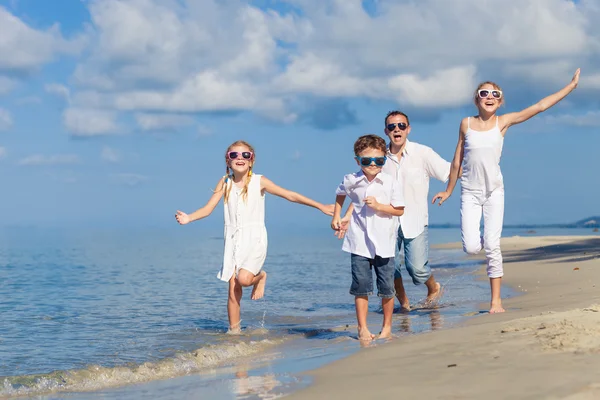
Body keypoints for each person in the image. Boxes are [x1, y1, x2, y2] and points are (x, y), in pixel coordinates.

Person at [432, 69, 581, 314]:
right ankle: (484, 243)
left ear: (500, 101)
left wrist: (571, 86)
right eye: (484, 93)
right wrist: (449, 190)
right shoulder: (466, 124)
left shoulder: (503, 122)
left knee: (493, 246)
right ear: (476, 99)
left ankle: (496, 302)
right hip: (469, 192)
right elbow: (457, 158)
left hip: (494, 193)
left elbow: (540, 106)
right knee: (471, 247)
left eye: (495, 94)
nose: (489, 97)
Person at [175, 140, 334, 333]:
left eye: (245, 155)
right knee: (233, 288)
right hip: (233, 240)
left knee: (243, 279)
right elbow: (208, 209)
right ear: (228, 160)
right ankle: (234, 331)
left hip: (255, 239)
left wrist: (320, 206)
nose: (239, 158)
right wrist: (189, 218)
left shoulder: (260, 181)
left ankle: (260, 277)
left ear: (251, 160)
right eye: (234, 155)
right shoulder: (224, 183)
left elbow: (289, 195)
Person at [332, 134, 405, 341]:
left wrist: (379, 206)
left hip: (385, 243)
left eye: (379, 161)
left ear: (384, 159)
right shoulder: (351, 180)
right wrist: (337, 216)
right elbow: (340, 194)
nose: (373, 165)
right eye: (366, 161)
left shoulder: (390, 182)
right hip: (359, 242)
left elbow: (399, 210)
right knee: (361, 287)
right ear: (358, 160)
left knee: (387, 288)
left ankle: (387, 327)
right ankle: (362, 328)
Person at [382, 111, 452, 312]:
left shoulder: (423, 153)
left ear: (408, 129)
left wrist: (449, 190)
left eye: (401, 125)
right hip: (386, 222)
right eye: (392, 126)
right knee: (390, 269)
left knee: (418, 270)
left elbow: (449, 170)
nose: (397, 129)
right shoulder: (380, 157)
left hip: (415, 219)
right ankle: (404, 306)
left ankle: (433, 287)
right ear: (386, 131)